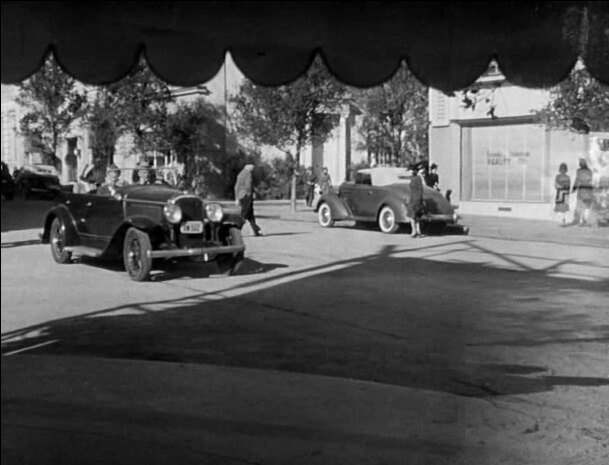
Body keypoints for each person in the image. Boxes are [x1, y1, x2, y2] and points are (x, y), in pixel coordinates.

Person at [234, 163, 262, 236]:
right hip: (246, 195)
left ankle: (255, 231)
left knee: (250, 214)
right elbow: (248, 185)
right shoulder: (248, 174)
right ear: (248, 167)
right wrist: (252, 193)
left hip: (241, 195)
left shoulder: (240, 174)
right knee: (245, 213)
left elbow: (236, 187)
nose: (253, 169)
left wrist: (237, 198)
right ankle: (236, 230)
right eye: (252, 168)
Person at [572, 158, 593, 226]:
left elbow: (577, 180)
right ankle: (585, 220)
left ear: (580, 164)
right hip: (589, 189)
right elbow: (591, 180)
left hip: (582, 189)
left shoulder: (579, 171)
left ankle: (582, 220)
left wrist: (574, 188)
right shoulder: (589, 171)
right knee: (587, 206)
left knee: (580, 206)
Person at [407, 164, 425, 238]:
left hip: (414, 200)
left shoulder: (413, 179)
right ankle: (418, 231)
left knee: (412, 217)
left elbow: (412, 188)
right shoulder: (419, 179)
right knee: (417, 217)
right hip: (419, 200)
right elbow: (422, 189)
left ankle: (413, 232)